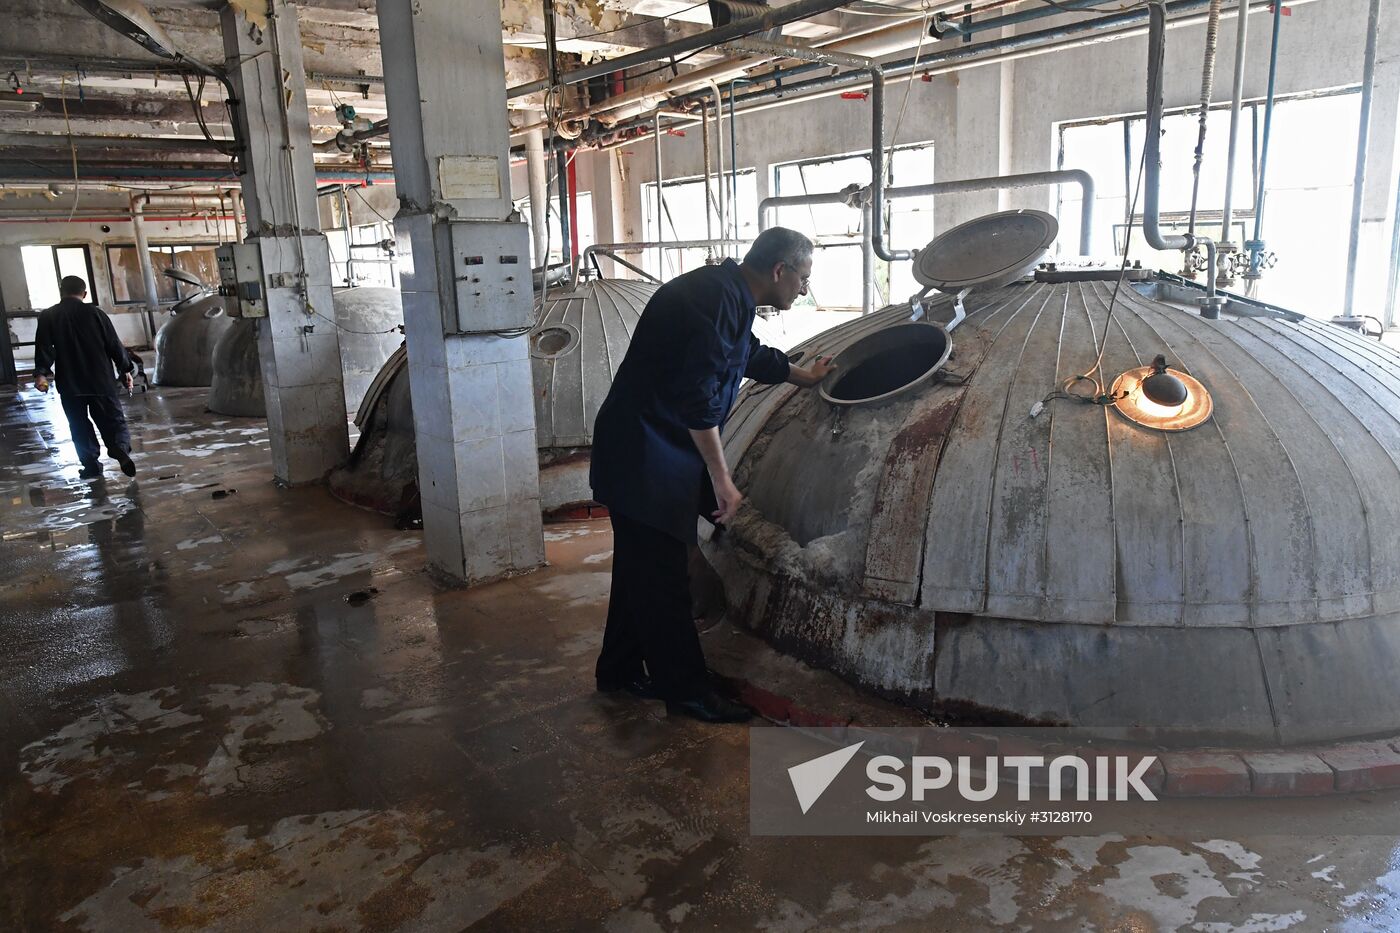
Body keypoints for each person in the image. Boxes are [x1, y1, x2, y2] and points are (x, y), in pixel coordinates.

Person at [590, 228, 836, 723]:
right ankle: (687, 693)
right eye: (803, 279)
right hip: (644, 458)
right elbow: (698, 400)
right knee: (665, 582)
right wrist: (722, 479)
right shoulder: (715, 299)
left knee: (640, 570)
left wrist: (803, 375)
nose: (803, 289)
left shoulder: (726, 296)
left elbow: (745, 355)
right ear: (780, 271)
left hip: (649, 453)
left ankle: (618, 670)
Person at [33, 275, 137, 480]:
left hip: (70, 382)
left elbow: (44, 347)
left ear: (61, 292)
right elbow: (114, 344)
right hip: (101, 380)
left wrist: (41, 374)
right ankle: (120, 447)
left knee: (78, 425)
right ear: (85, 293)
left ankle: (91, 466)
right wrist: (126, 369)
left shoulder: (49, 316)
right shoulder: (96, 313)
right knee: (113, 420)